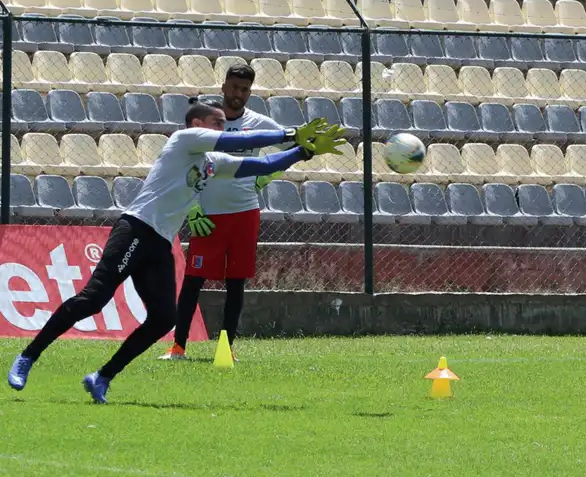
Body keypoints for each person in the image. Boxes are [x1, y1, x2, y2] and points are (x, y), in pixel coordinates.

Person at [7, 102, 345, 404]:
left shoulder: (210, 161)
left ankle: (102, 377)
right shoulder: (183, 142)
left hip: (160, 243)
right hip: (136, 230)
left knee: (163, 318)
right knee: (94, 300)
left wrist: (305, 150)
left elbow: (259, 165)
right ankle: (28, 357)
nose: (222, 130)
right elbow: (240, 142)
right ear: (196, 123)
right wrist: (289, 132)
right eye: (216, 123)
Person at [160, 64, 287, 362]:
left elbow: (293, 147)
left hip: (245, 213)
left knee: (236, 282)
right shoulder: (207, 121)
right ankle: (178, 347)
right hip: (207, 216)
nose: (238, 94)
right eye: (234, 88)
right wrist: (193, 208)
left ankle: (225, 350)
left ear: (250, 92)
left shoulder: (260, 122)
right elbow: (185, 164)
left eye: (244, 89)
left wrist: (266, 176)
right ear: (224, 86)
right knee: (193, 280)